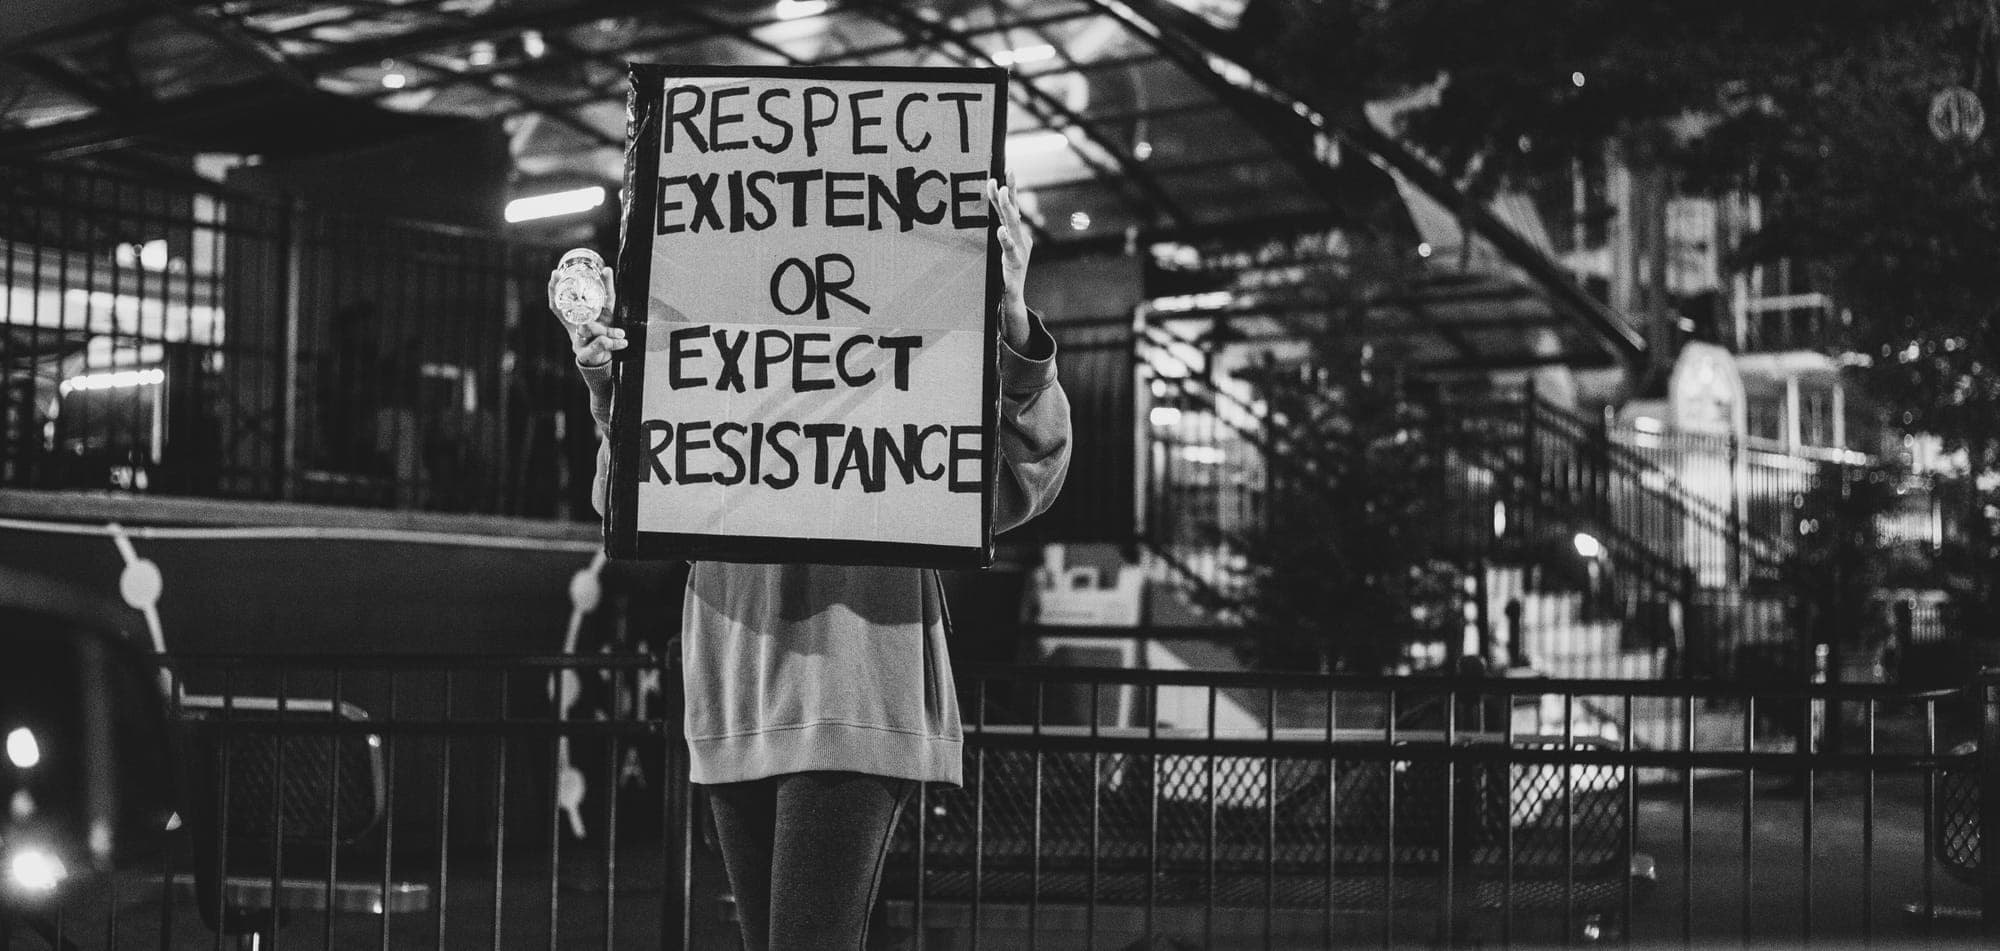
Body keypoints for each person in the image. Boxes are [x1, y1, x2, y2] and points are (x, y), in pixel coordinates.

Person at [554, 174, 1071, 951]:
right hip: (736, 696)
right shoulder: (720, 363)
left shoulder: (902, 371)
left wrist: (1011, 318)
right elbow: (629, 505)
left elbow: (1018, 482)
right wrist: (607, 387)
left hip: (851, 694)